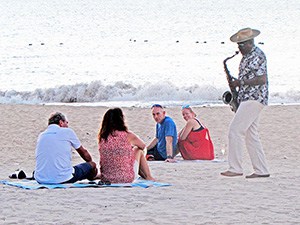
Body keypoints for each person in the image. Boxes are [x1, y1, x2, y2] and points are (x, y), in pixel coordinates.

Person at [221, 27, 270, 178]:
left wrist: (239, 83)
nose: (239, 48)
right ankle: (261, 170)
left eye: (241, 45)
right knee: (251, 134)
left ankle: (235, 168)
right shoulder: (247, 56)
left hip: (254, 97)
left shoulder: (257, 55)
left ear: (250, 42)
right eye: (238, 45)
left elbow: (262, 79)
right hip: (247, 98)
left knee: (235, 131)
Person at [34, 112, 98, 184]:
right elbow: (83, 153)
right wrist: (90, 163)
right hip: (63, 179)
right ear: (61, 122)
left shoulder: (41, 135)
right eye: (66, 123)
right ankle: (93, 177)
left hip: (40, 178)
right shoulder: (67, 132)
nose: (67, 125)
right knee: (92, 165)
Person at [98, 108, 155, 183]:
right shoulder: (127, 135)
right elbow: (143, 147)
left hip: (107, 178)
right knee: (138, 150)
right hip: (125, 178)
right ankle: (149, 177)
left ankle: (145, 175)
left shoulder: (102, 137)